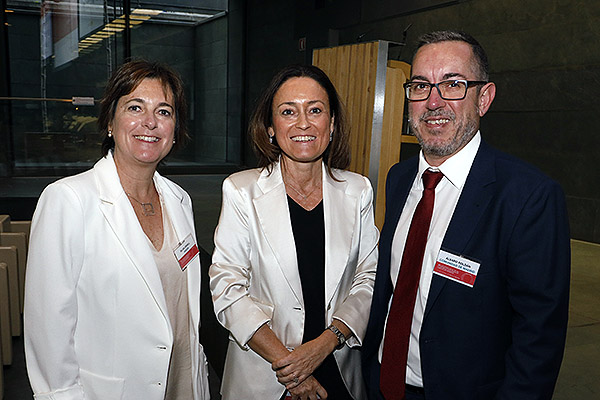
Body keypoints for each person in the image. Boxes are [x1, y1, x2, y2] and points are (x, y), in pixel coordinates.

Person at [362, 30, 570, 400]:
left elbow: (538, 339)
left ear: (484, 98)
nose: (433, 101)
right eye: (421, 86)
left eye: (453, 84)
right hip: (383, 383)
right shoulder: (398, 178)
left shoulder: (528, 197)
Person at [24, 60, 211, 400]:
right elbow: (48, 325)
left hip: (185, 383)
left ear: (175, 129)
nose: (150, 123)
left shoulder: (179, 200)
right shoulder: (68, 200)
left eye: (164, 112)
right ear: (110, 121)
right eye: (135, 107)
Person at [209, 64, 379, 400]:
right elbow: (227, 287)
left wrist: (325, 343)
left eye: (315, 110)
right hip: (266, 374)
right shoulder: (241, 191)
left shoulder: (358, 190)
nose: (303, 123)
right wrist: (291, 367)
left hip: (339, 370)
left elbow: (369, 279)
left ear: (331, 125)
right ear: (271, 127)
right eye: (288, 111)